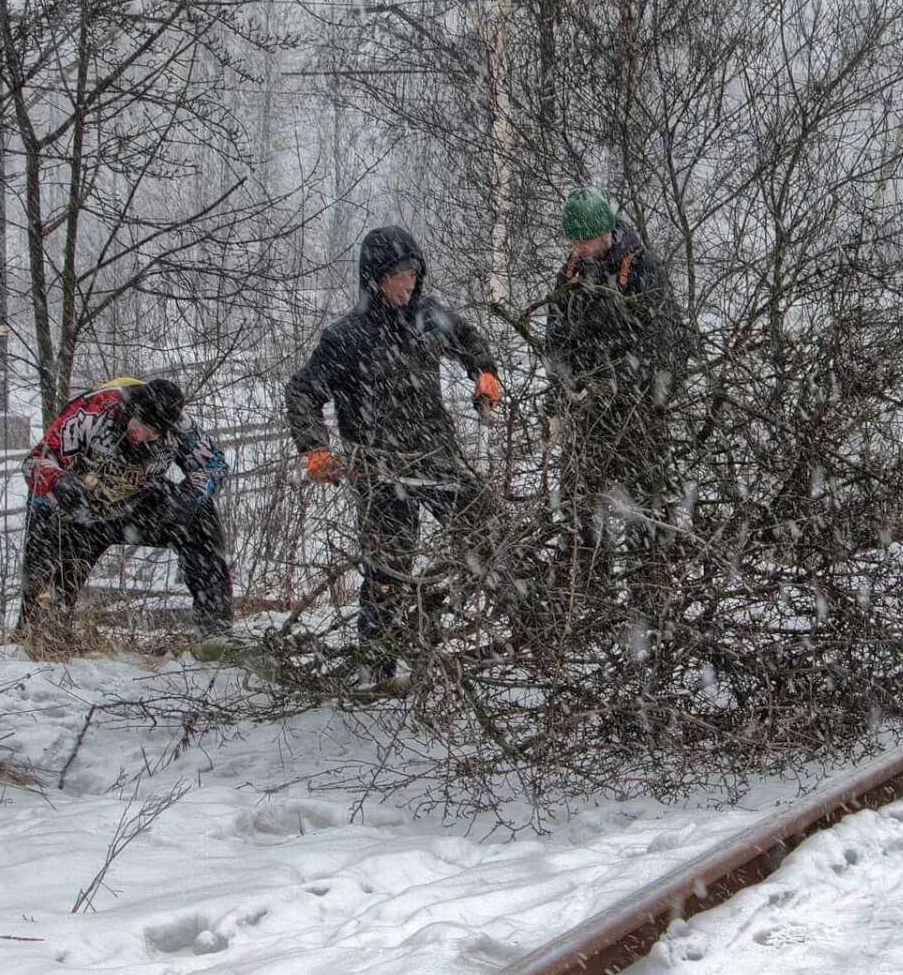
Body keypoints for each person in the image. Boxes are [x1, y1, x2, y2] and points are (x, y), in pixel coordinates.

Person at [285, 225, 509, 678]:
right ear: (374, 278)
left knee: (490, 532)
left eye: (413, 273)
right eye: (398, 275)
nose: (408, 283)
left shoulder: (429, 315)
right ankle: (378, 664)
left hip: (436, 455)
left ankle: (532, 626)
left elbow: (469, 340)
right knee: (387, 571)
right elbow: (303, 392)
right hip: (379, 469)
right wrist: (315, 449)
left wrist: (484, 372)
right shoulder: (345, 337)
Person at [544, 188, 685, 606]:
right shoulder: (570, 272)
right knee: (580, 504)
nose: (581, 249)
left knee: (645, 503)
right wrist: (558, 399)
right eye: (575, 242)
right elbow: (556, 341)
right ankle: (588, 596)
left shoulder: (642, 269)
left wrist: (622, 380)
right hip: (585, 410)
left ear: (606, 231)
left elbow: (665, 340)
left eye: (586, 240)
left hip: (638, 410)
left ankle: (649, 596)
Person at [19, 377, 232, 639]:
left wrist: (190, 494)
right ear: (131, 411)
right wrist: (60, 482)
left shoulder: (179, 426)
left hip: (134, 507)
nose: (142, 437)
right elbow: (35, 461)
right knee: (48, 581)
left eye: (154, 433)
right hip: (78, 513)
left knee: (200, 516)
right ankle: (36, 632)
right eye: (140, 426)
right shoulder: (91, 411)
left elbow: (215, 465)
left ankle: (214, 629)